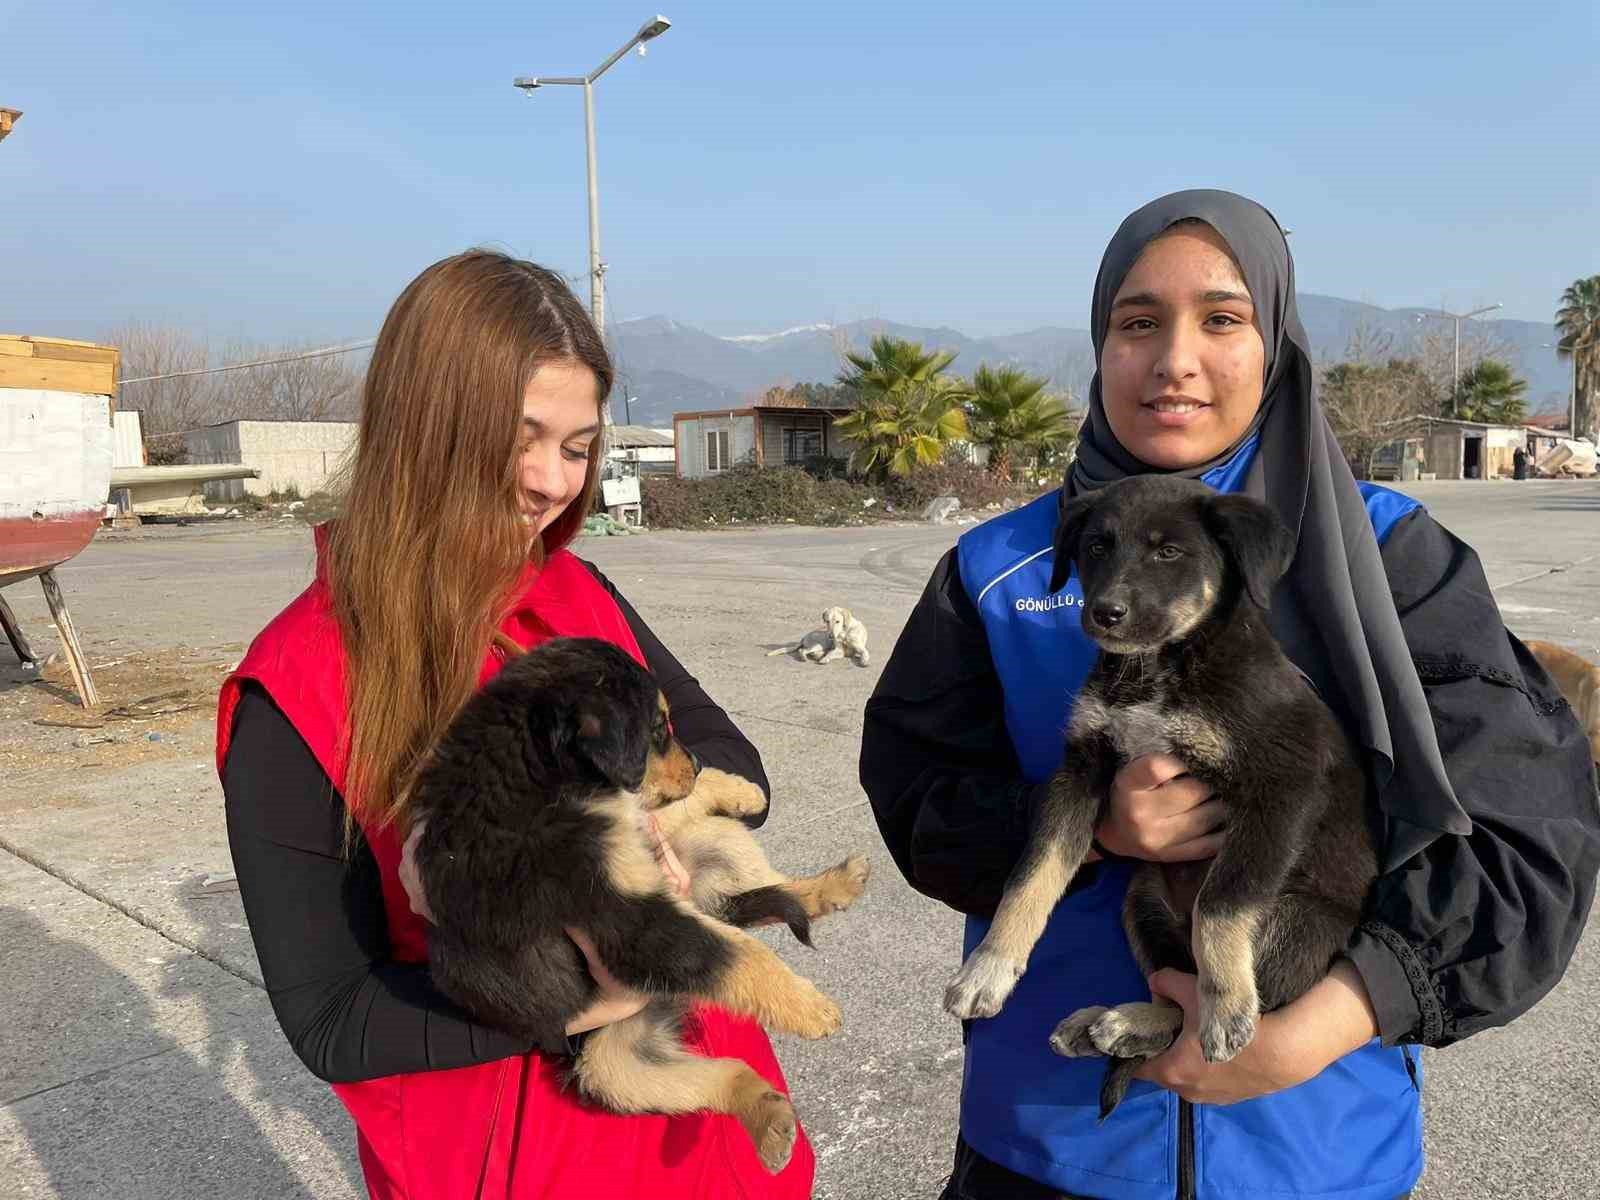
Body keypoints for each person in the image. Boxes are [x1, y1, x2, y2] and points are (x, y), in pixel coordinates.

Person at [860, 190, 1600, 1200]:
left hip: (1315, 1147)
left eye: (1220, 318)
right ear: (1099, 344)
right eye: (1135, 323)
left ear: (1275, 342)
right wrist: (1100, 832)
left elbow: (1527, 835)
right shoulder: (996, 568)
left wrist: (1325, 1024)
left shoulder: (1389, 556)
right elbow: (915, 798)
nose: (1173, 359)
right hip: (1047, 1143)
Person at [217, 250, 815, 1200]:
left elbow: (733, 761)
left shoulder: (582, 594)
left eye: (578, 448)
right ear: (424, 428)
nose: (549, 481)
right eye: (518, 435)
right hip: (510, 1156)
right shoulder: (297, 690)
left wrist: (644, 830)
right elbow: (331, 1018)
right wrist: (576, 994)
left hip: (704, 1152)